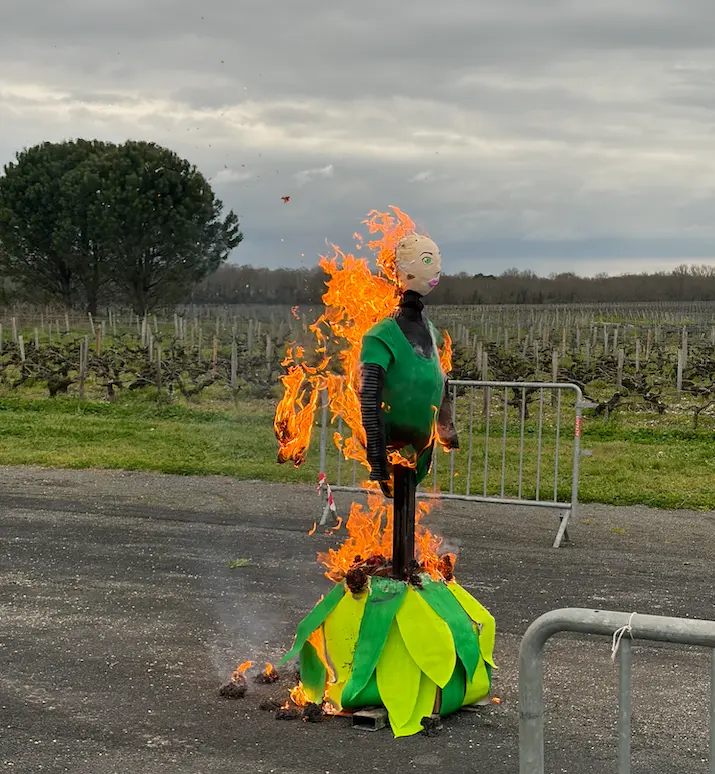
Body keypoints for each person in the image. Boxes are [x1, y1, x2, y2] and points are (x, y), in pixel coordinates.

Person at [359, 233, 458, 578]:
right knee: (399, 502)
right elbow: (369, 394)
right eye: (427, 260)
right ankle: (396, 568)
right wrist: (376, 453)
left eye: (435, 259)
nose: (435, 268)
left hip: (422, 444)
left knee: (411, 504)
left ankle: (407, 567)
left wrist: (446, 427)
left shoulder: (431, 331)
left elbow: (440, 378)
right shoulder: (381, 335)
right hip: (391, 441)